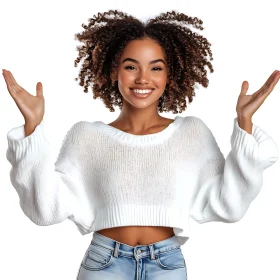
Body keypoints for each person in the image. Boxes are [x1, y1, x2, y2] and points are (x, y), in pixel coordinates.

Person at [3, 9, 280, 280]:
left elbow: (229, 205)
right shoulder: (86, 136)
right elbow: (44, 210)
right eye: (131, 66)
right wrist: (32, 127)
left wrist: (245, 121)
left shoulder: (192, 133)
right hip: (103, 264)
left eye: (156, 67)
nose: (143, 78)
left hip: (167, 264)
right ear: (114, 71)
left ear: (169, 74)